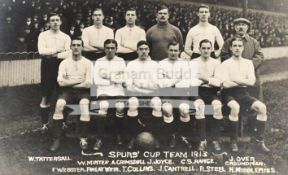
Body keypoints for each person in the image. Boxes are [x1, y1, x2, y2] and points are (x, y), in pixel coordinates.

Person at [218, 38, 270, 153]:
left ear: (243, 48)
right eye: (234, 46)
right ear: (230, 48)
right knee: (235, 107)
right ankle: (234, 141)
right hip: (228, 95)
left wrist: (234, 78)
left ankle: (259, 141)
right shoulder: (225, 63)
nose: (237, 48)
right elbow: (225, 84)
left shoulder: (248, 63)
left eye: (239, 46)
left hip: (243, 94)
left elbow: (251, 81)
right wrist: (242, 80)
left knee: (262, 108)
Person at [49, 38, 92, 152]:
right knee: (59, 104)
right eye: (74, 45)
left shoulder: (87, 63)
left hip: (83, 92)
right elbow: (61, 82)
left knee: (84, 105)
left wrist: (70, 83)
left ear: (82, 47)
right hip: (67, 92)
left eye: (79, 45)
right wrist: (79, 81)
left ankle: (83, 138)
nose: (76, 47)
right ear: (71, 47)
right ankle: (56, 138)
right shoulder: (64, 63)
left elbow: (88, 84)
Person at [37, 13, 71, 133]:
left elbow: (69, 53)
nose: (55, 22)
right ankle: (45, 124)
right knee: (46, 96)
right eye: (52, 20)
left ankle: (63, 122)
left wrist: (53, 54)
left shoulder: (66, 37)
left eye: (57, 20)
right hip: (47, 67)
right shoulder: (43, 35)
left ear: (60, 22)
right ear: (49, 23)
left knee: (63, 95)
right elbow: (41, 51)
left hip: (62, 66)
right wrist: (58, 51)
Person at [125, 40, 162, 149]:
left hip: (151, 94)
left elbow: (156, 85)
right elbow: (128, 85)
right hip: (135, 94)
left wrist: (139, 85)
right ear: (137, 51)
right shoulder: (131, 64)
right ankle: (133, 137)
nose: (143, 51)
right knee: (132, 103)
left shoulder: (154, 65)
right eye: (141, 49)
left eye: (146, 49)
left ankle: (155, 137)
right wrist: (144, 86)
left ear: (149, 50)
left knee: (157, 103)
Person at [189, 39, 223, 152]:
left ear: (212, 49)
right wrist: (210, 80)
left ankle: (215, 140)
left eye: (208, 48)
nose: (206, 50)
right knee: (200, 106)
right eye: (203, 48)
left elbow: (218, 82)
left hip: (211, 92)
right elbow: (191, 81)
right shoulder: (193, 62)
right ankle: (202, 140)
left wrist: (202, 78)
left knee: (217, 106)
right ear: (199, 49)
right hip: (196, 91)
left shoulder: (216, 63)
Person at [93, 39, 126, 150]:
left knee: (120, 107)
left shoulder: (121, 61)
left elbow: (123, 78)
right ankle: (99, 138)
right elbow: (97, 81)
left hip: (118, 90)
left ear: (116, 49)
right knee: (103, 106)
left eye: (112, 48)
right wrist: (114, 78)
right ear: (104, 49)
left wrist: (107, 76)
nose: (110, 50)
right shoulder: (99, 61)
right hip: (103, 90)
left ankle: (119, 134)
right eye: (108, 48)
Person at [221, 18, 264, 100]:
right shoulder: (228, 42)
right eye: (238, 25)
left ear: (247, 28)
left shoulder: (253, 42)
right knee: (236, 96)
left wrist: (249, 66)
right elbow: (224, 55)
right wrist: (235, 65)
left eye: (243, 25)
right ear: (234, 27)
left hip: (252, 73)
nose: (241, 27)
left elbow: (260, 56)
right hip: (234, 74)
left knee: (254, 95)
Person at [158, 42, 190, 148]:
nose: (173, 52)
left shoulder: (184, 64)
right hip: (166, 92)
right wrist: (176, 80)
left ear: (179, 51)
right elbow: (161, 82)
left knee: (184, 108)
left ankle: (183, 135)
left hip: (181, 92)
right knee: (167, 108)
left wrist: (170, 80)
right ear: (167, 50)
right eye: (171, 50)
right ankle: (171, 135)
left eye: (175, 50)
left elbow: (186, 82)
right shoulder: (162, 63)